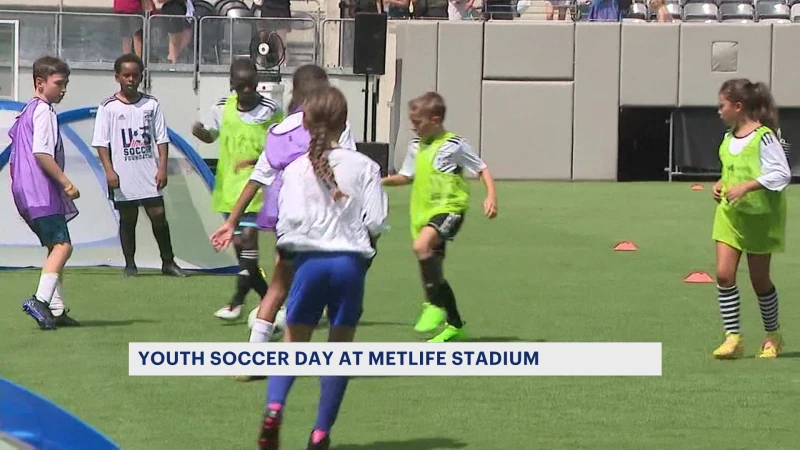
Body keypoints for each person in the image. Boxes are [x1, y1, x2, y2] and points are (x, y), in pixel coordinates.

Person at [257, 85, 387, 450]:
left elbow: (289, 220)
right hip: (350, 265)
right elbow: (375, 221)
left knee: (293, 346)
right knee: (338, 353)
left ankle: (274, 406)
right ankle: (319, 433)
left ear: (306, 122)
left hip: (310, 263)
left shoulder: (296, 169)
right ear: (345, 121)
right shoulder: (366, 166)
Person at [210, 64, 356, 382]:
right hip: (327, 223)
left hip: (288, 220)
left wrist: (231, 220)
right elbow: (351, 170)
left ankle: (252, 359)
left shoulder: (280, 131)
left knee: (277, 287)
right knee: (337, 290)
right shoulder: (337, 127)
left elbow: (258, 177)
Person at [382, 91, 498, 343]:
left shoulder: (454, 145)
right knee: (434, 272)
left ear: (435, 120)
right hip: (423, 214)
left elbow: (481, 168)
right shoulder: (416, 146)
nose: (414, 128)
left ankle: (433, 305)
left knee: (421, 247)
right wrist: (379, 181)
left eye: (419, 123)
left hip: (450, 208)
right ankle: (455, 324)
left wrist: (491, 196)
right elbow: (406, 176)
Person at [193, 57, 284, 320]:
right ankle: (272, 305)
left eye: (251, 84)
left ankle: (236, 303)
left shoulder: (271, 109)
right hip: (228, 190)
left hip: (258, 192)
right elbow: (212, 135)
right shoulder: (221, 108)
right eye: (241, 84)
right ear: (232, 84)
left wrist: (258, 160)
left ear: (257, 82)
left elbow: (282, 144)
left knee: (247, 246)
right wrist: (200, 133)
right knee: (244, 258)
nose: (246, 89)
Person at [710, 78, 790, 360]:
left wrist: (747, 186)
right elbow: (731, 171)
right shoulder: (728, 138)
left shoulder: (764, 137)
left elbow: (782, 174)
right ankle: (733, 337)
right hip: (730, 217)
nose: (718, 111)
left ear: (738, 106)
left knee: (760, 281)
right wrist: (720, 184)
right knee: (723, 274)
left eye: (722, 106)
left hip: (760, 219)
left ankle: (773, 335)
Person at [91, 53, 186, 278]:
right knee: (128, 218)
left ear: (142, 76)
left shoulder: (151, 104)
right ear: (117, 77)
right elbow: (101, 143)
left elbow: (161, 138)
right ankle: (130, 264)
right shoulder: (108, 107)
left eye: (135, 75)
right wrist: (109, 170)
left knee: (158, 215)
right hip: (122, 175)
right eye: (126, 75)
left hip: (148, 173)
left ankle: (168, 262)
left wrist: (162, 167)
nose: (131, 80)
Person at [10, 56, 81, 330]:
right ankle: (39, 300)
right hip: (40, 189)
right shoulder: (44, 111)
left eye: (66, 84)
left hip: (25, 191)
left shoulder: (27, 110)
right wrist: (65, 182)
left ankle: (56, 308)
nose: (63, 90)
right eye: (59, 84)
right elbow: (41, 152)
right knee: (64, 246)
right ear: (40, 83)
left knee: (55, 246)